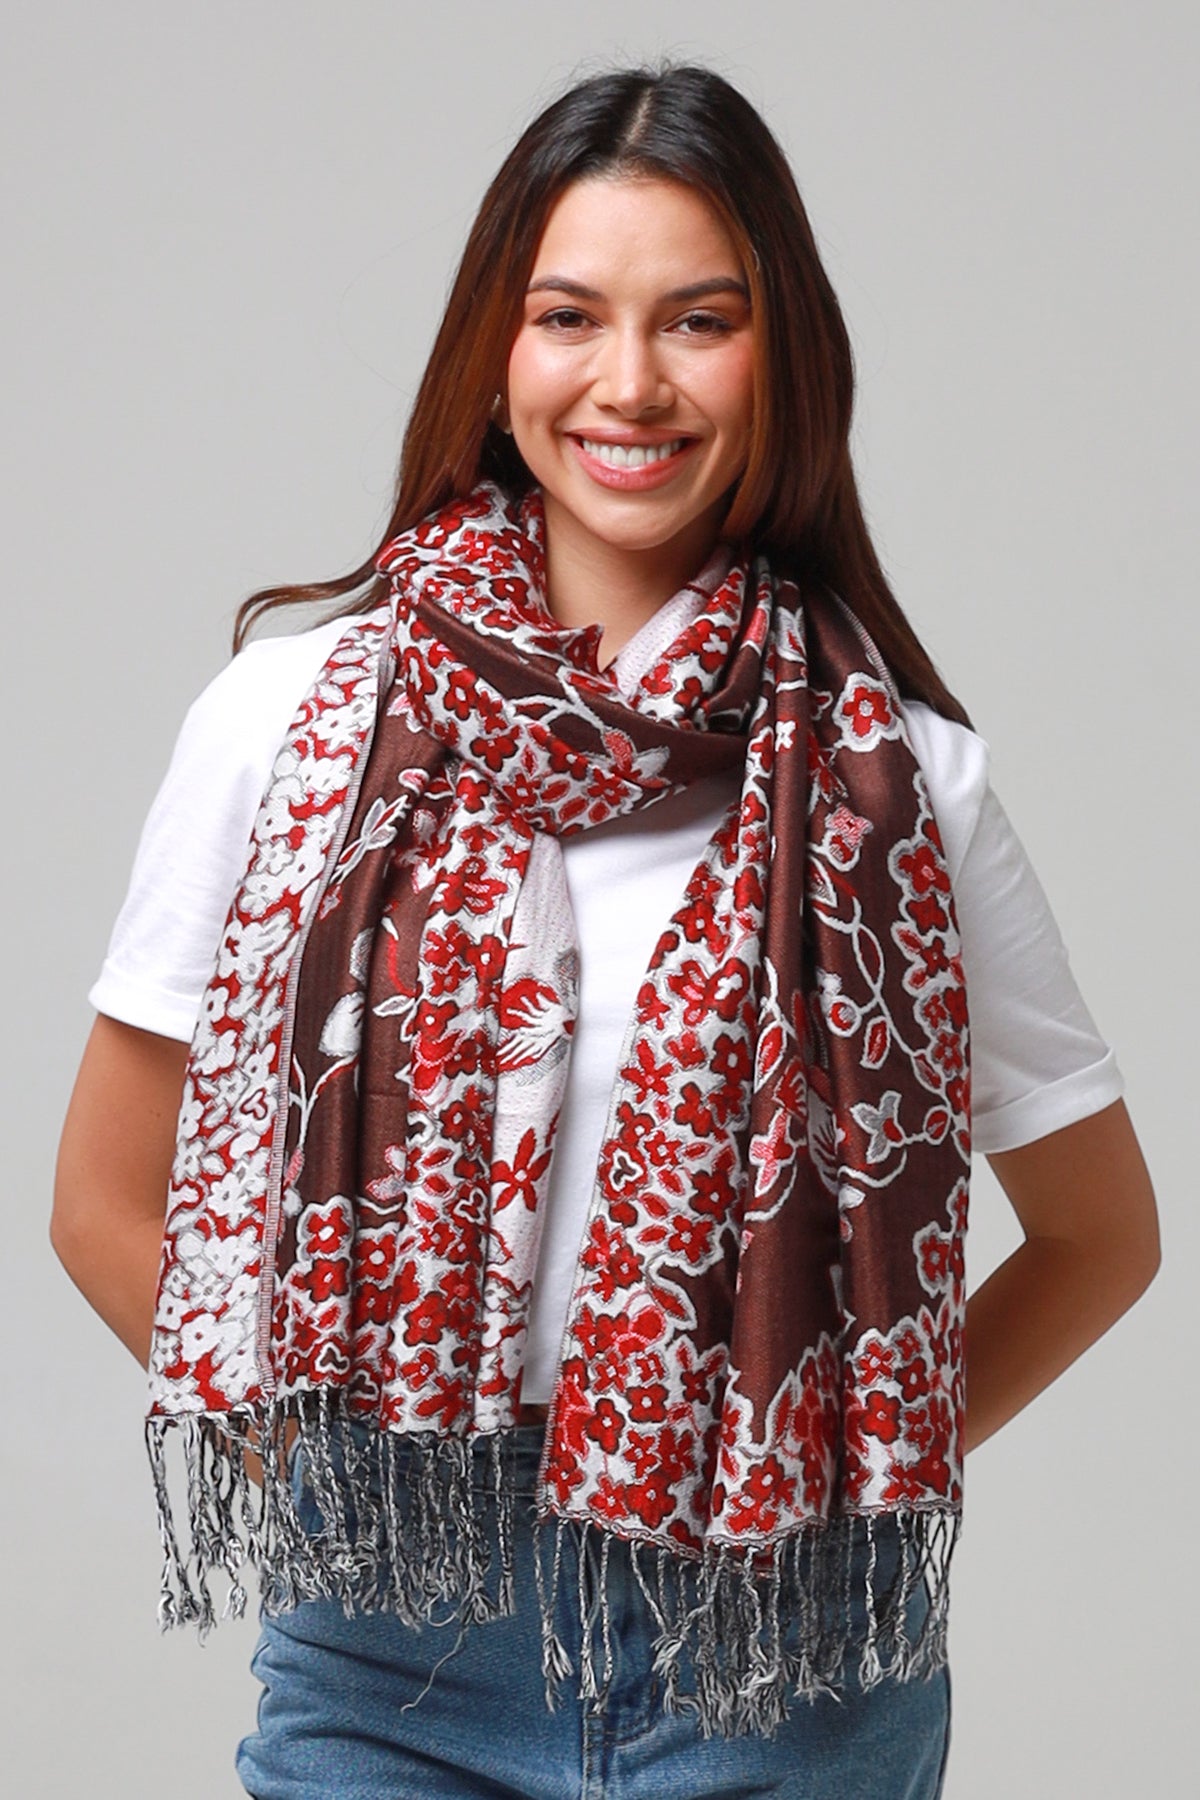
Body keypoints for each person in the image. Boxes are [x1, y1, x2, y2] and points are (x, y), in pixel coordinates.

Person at [51, 61, 1159, 1800]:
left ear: (782, 362)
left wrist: (833, 1471)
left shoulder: (900, 786)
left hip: (782, 1654)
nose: (629, 382)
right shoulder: (291, 721)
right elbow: (102, 1196)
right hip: (395, 1640)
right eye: (569, 316)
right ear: (496, 360)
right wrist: (337, 1483)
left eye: (699, 321)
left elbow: (1103, 1236)